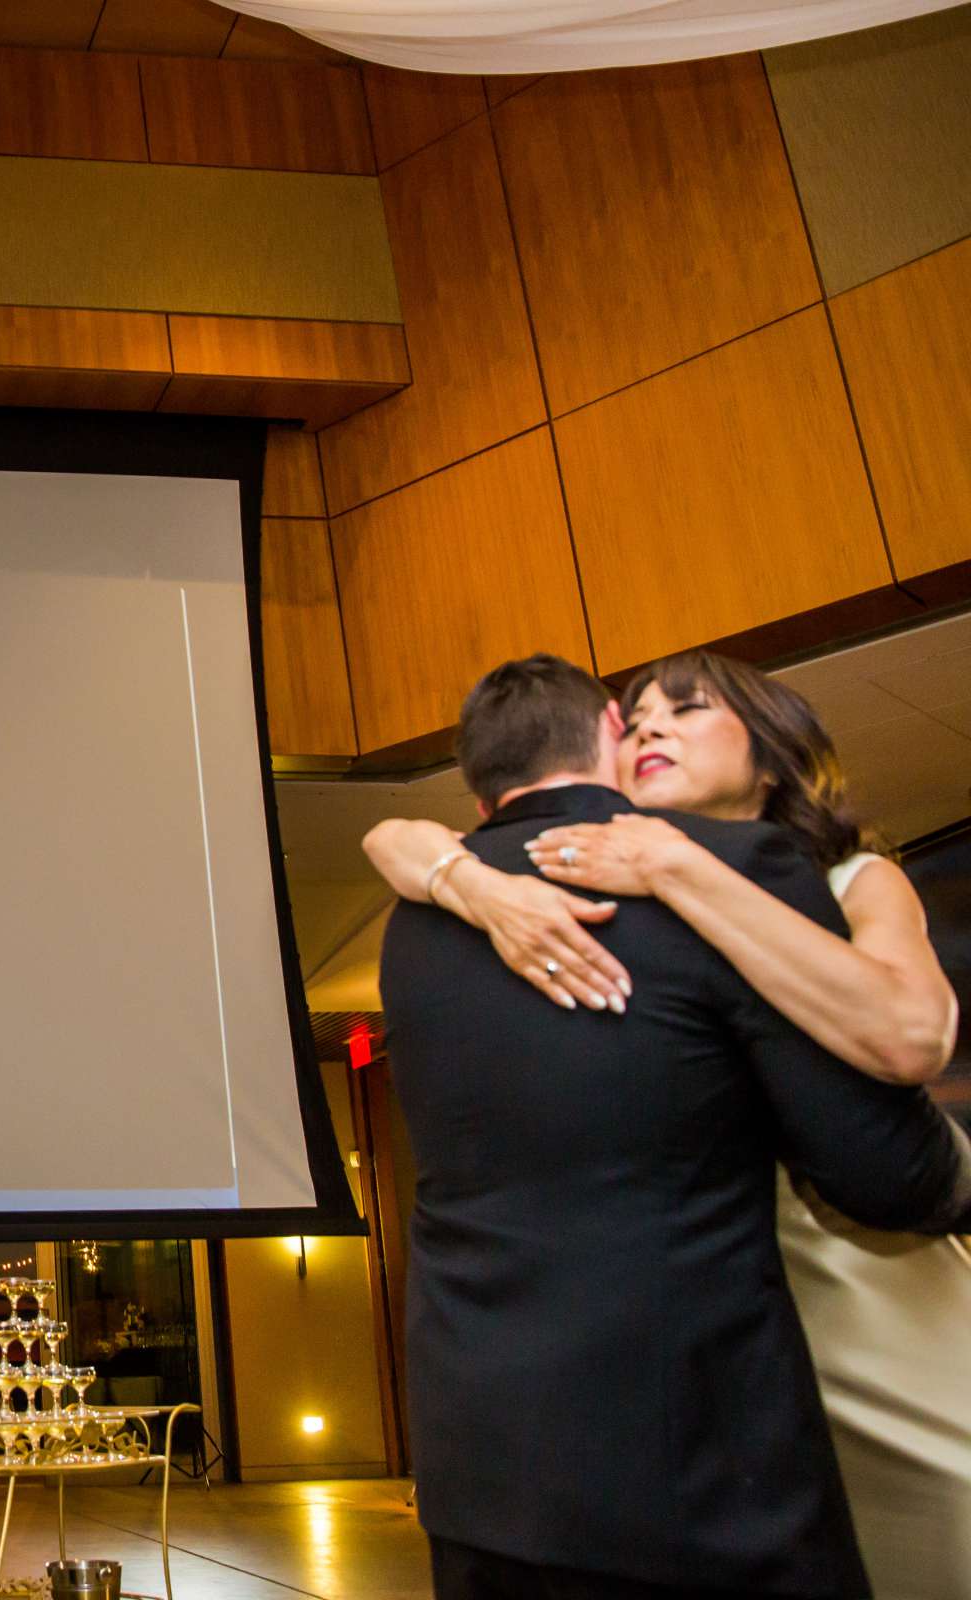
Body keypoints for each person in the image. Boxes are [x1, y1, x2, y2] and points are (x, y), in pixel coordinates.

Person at [365, 649, 969, 1598]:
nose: (651, 729)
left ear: (772, 759)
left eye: (686, 712)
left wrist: (675, 865)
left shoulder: (841, 877)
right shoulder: (573, 876)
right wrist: (468, 880)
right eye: (638, 716)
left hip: (852, 1273)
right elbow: (394, 838)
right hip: (708, 1351)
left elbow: (907, 1052)